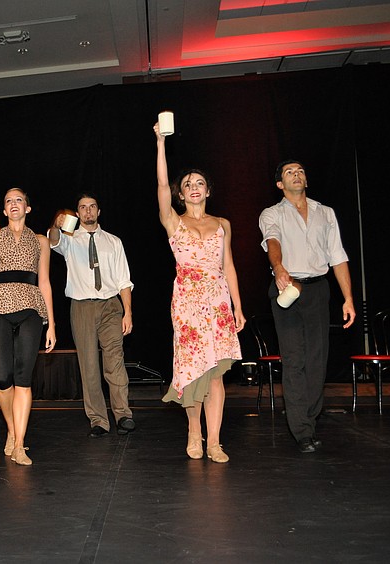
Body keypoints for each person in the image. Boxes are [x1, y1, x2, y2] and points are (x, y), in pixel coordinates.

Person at [154, 123, 245, 463]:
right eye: (188, 185)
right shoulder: (174, 222)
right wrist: (161, 143)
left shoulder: (223, 224)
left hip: (218, 299)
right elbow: (162, 185)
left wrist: (238, 307)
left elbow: (230, 267)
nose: (194, 188)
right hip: (188, 300)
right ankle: (194, 432)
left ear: (209, 190)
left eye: (200, 183)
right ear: (181, 193)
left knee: (217, 372)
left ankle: (215, 442)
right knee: (194, 370)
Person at [258, 160, 355, 453]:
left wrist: (348, 297)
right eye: (289, 172)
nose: (296, 175)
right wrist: (278, 268)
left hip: (318, 289)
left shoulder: (325, 213)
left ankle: (308, 419)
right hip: (287, 287)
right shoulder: (271, 213)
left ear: (306, 179)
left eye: (300, 171)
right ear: (280, 184)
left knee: (317, 359)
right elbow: (272, 240)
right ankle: (301, 430)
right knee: (294, 358)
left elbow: (338, 256)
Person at [0, 144, 56, 466]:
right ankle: (11, 429)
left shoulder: (41, 241)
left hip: (32, 307)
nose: (13, 204)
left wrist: (52, 324)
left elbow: (45, 282)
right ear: (4, 211)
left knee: (23, 377)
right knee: (3, 378)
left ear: (28, 208)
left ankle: (20, 443)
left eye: (19, 199)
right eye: (8, 201)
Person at [49, 195, 136, 437]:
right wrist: (56, 226)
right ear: (77, 213)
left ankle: (123, 415)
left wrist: (127, 312)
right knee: (88, 365)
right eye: (83, 208)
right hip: (82, 307)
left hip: (110, 305)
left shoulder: (113, 242)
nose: (88, 211)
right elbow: (53, 243)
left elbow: (124, 281)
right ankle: (98, 420)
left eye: (92, 207)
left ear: (99, 211)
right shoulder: (70, 240)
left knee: (114, 362)